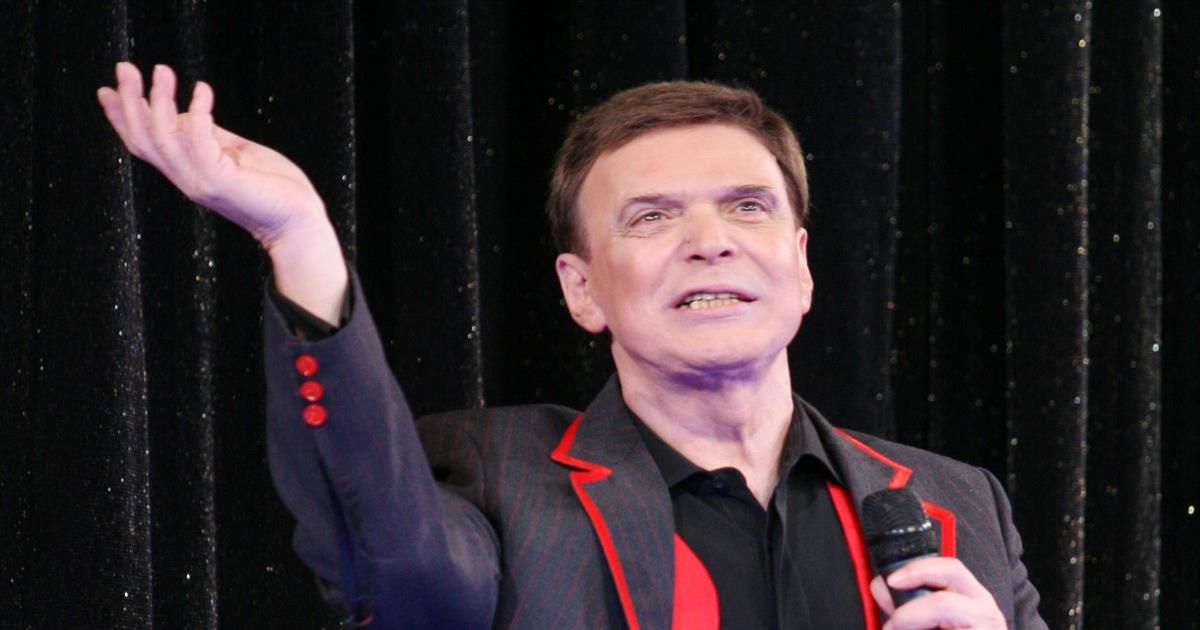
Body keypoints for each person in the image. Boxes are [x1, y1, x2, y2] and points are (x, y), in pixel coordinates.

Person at [97, 62, 1045, 629]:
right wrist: (298, 235)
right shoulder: (498, 476)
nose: (710, 240)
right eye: (651, 216)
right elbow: (401, 577)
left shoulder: (959, 504)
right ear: (581, 289)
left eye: (748, 207)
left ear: (800, 267)